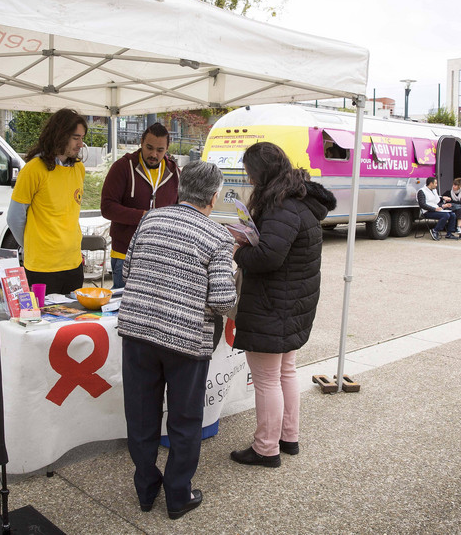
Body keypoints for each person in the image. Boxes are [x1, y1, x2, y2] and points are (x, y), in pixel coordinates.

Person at [117, 161, 237, 520]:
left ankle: (145, 488)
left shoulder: (150, 219)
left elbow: (127, 269)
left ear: (182, 189)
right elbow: (220, 300)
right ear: (214, 196)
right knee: (184, 420)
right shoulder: (218, 237)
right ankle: (178, 495)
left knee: (141, 415)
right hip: (185, 340)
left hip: (138, 331)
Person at [230, 142, 336, 468]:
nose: (249, 181)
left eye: (250, 174)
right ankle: (288, 436)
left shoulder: (280, 207)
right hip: (291, 303)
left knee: (266, 379)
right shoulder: (298, 202)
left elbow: (267, 256)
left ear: (262, 173)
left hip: (272, 304)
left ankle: (265, 449)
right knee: (285, 371)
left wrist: (239, 250)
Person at [7, 109, 87, 294]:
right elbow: (14, 218)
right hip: (42, 267)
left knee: (72, 321)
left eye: (82, 138)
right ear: (60, 135)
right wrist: (34, 245)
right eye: (76, 138)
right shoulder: (33, 169)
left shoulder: (79, 169)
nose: (80, 144)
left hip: (73, 263)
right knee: (44, 320)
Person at [100, 123, 180, 288]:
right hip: (125, 254)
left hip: (160, 257)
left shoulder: (175, 173)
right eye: (149, 147)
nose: (153, 154)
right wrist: (142, 216)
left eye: (160, 150)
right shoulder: (123, 167)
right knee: (122, 308)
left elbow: (181, 209)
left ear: (167, 148)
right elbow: (107, 207)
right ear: (141, 142)